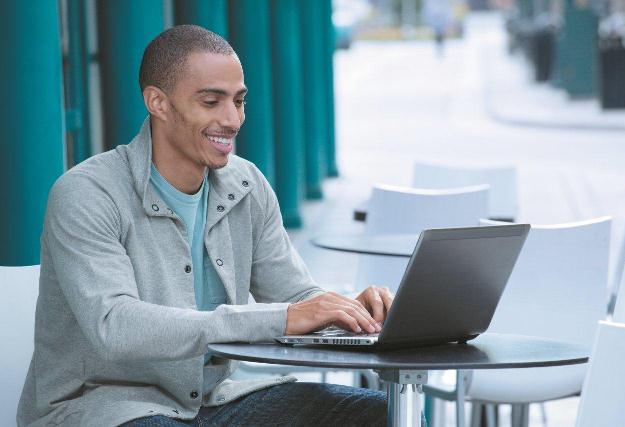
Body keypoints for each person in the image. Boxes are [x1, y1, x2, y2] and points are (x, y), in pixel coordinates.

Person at [17, 25, 394, 427]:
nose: (232, 120)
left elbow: (295, 295)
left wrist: (349, 311)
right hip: (102, 407)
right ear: (158, 102)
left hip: (211, 402)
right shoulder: (87, 194)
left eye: (239, 101)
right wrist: (281, 317)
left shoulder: (246, 185)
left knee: (381, 415)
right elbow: (115, 324)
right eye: (211, 102)